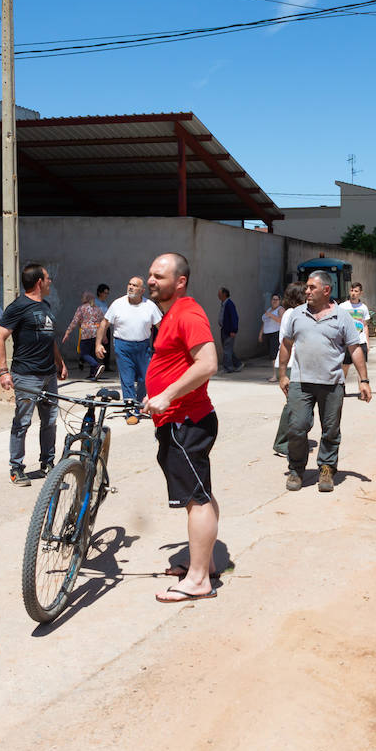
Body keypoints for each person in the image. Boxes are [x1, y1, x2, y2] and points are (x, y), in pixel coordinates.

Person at [143, 253, 220, 602]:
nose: (151, 281)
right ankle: (203, 564)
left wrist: (166, 395)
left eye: (159, 276)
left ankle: (199, 580)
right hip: (177, 420)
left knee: (197, 500)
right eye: (150, 275)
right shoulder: (171, 314)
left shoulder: (188, 313)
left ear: (180, 281)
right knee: (199, 494)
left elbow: (208, 364)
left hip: (185, 421)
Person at [277, 271, 372, 493]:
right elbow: (286, 344)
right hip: (301, 382)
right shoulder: (297, 314)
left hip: (332, 383)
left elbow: (354, 349)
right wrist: (283, 373)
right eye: (307, 287)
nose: (307, 291)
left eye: (312, 287)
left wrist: (363, 380)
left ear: (326, 290)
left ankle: (327, 467)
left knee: (330, 429)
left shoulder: (342, 317)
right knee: (297, 427)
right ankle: (296, 469)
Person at [0, 263, 68, 486]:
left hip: (48, 375)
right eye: (47, 278)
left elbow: (49, 338)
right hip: (26, 375)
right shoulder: (18, 307)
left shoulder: (45, 305)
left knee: (50, 421)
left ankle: (47, 463)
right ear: (39, 282)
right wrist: (3, 372)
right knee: (23, 421)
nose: (50, 282)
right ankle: (16, 468)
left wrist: (60, 363)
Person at [96, 276, 161, 422]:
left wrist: (168, 347)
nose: (130, 287)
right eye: (129, 284)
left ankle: (138, 405)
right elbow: (104, 324)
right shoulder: (118, 304)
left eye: (135, 285)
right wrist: (98, 344)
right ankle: (131, 412)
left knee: (146, 378)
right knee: (127, 380)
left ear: (142, 290)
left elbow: (161, 327)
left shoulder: (150, 306)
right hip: (122, 346)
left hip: (143, 347)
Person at [271, 283, 307, 456]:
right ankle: (282, 443)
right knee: (292, 405)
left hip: (294, 363)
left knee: (296, 404)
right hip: (291, 364)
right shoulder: (293, 313)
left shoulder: (291, 313)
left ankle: (292, 438)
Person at [62, 291, 106, 381]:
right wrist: (104, 336)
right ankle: (93, 374)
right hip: (96, 333)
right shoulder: (97, 308)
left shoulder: (81, 308)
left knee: (84, 353)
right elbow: (103, 322)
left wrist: (67, 333)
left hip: (86, 333)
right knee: (93, 354)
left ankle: (96, 366)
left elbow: (75, 321)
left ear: (86, 299)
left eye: (83, 297)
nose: (81, 299)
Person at [341, 282, 371, 389]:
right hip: (346, 341)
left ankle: (362, 389)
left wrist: (367, 343)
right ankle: (342, 388)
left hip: (360, 341)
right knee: (345, 366)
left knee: (361, 366)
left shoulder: (363, 308)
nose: (353, 293)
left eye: (356, 291)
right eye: (352, 291)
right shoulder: (343, 306)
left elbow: (365, 326)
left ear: (360, 293)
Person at [259, 294, 284, 383]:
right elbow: (264, 323)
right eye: (273, 299)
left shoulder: (280, 309)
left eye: (276, 299)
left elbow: (281, 320)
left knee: (274, 356)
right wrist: (260, 334)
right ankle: (275, 374)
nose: (274, 301)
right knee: (271, 356)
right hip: (267, 334)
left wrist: (271, 315)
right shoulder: (269, 309)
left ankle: (276, 375)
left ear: (280, 301)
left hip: (275, 334)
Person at [217, 287, 243, 373]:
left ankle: (228, 368)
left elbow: (234, 318)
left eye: (219, 293)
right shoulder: (223, 303)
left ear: (224, 294)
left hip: (229, 331)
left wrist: (233, 330)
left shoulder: (229, 304)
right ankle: (238, 364)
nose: (218, 295)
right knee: (228, 349)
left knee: (227, 350)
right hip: (224, 329)